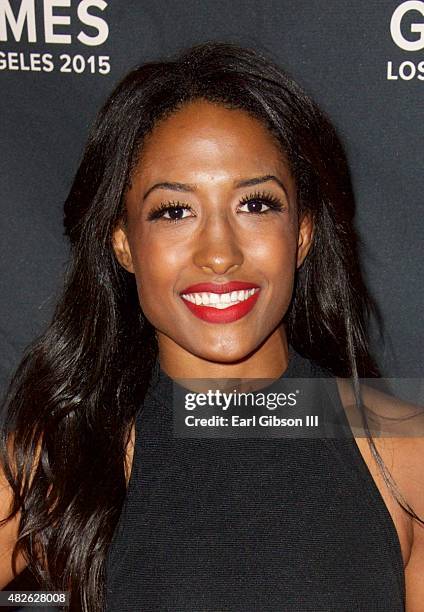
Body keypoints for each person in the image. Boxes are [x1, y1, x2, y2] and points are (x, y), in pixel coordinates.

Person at [0, 41, 423, 612]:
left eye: (256, 204)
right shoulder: (64, 456)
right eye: (174, 211)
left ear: (301, 233)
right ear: (123, 243)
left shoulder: (404, 452)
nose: (219, 254)